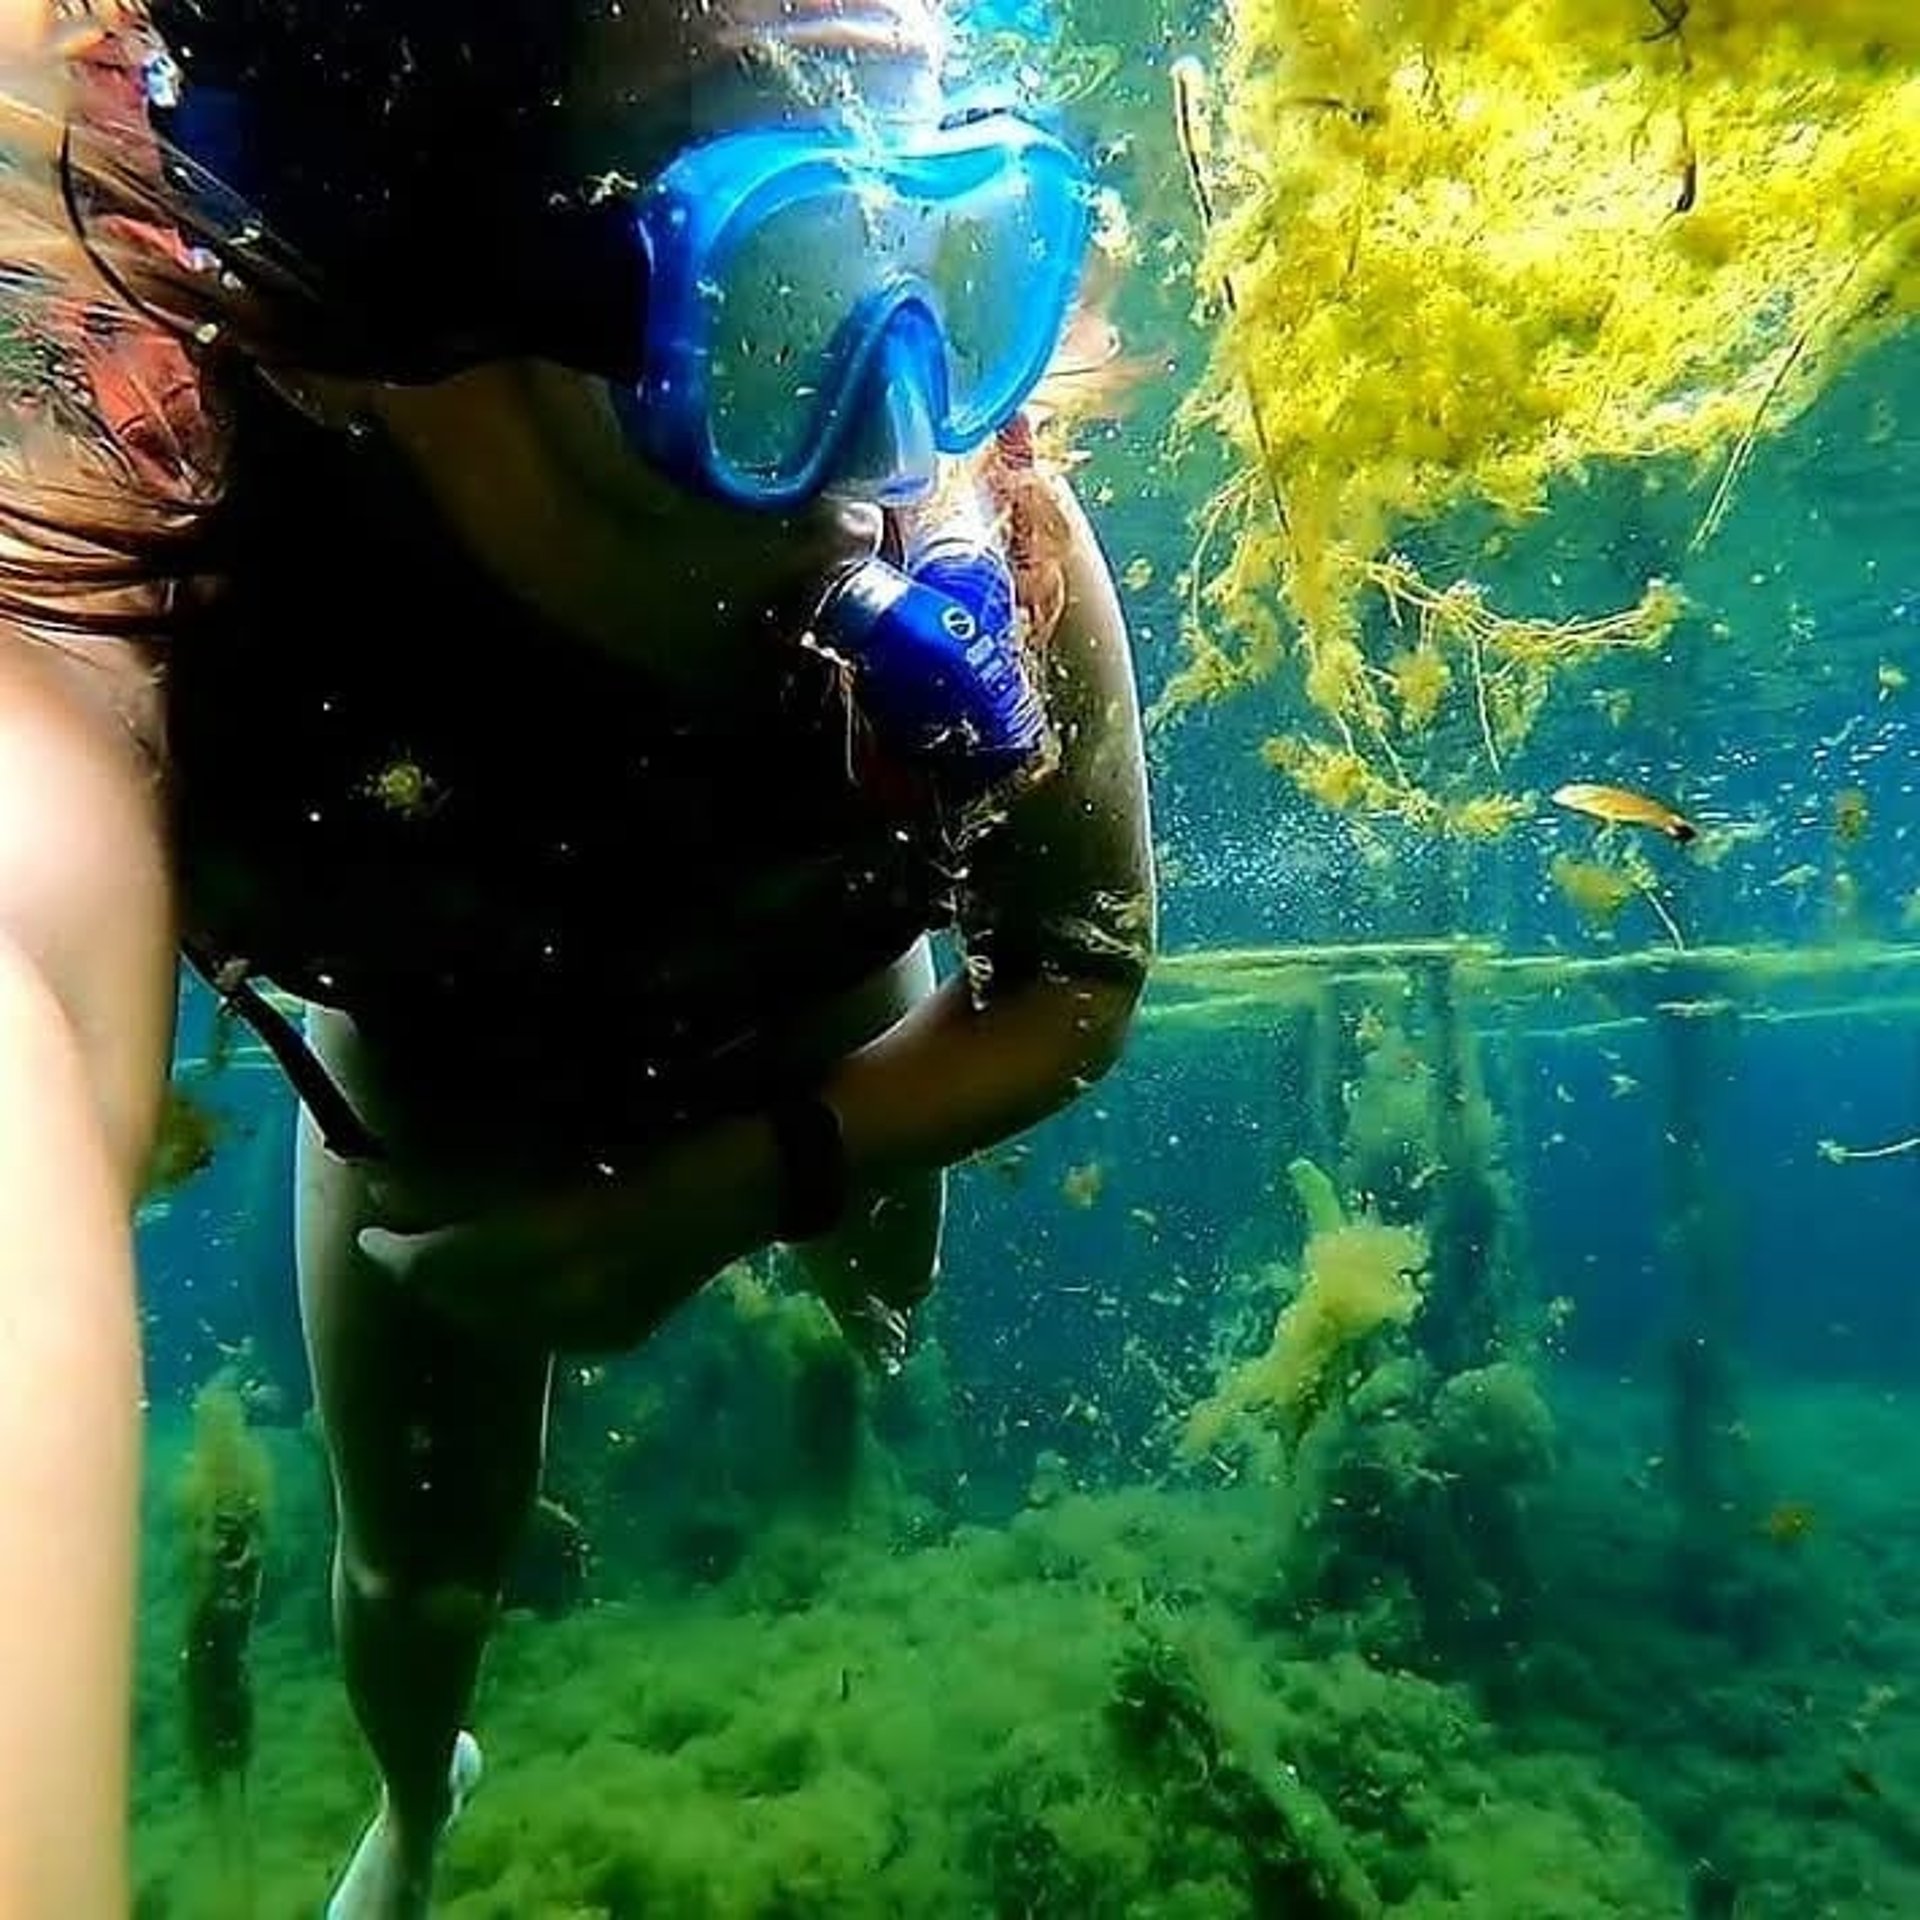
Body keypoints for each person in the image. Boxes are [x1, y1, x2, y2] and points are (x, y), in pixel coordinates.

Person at [0, 0, 1155, 1912]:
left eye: (944, 256)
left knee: (886, 1305)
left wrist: (741, 1186)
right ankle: (416, 1808)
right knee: (415, 1576)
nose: (893, 448)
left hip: (828, 1019)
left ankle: (850, 1342)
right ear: (381, 339)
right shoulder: (186, 559)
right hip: (442, 1082)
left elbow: (1080, 971)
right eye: (768, 299)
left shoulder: (996, 514)